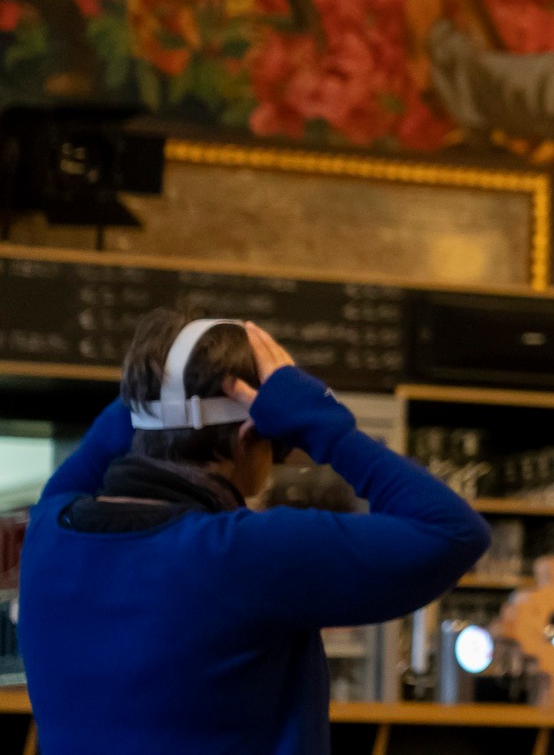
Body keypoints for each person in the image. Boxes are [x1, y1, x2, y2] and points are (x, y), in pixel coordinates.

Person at [19, 312, 491, 753]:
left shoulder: (48, 530)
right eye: (281, 445)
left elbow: (105, 442)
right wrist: (320, 421)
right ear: (250, 433)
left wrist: (159, 390)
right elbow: (453, 531)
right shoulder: (242, 554)